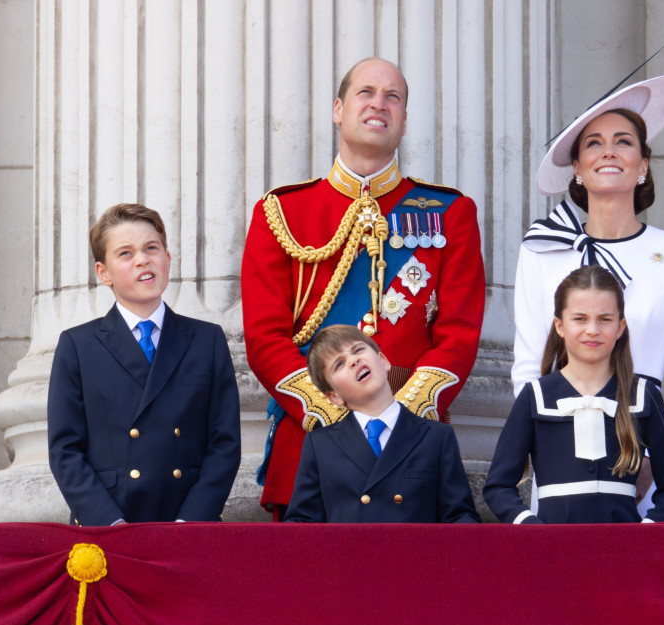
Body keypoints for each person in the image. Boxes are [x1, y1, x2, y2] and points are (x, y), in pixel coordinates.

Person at [242, 57, 484, 520]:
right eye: (366, 93)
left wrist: (399, 418)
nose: (379, 104)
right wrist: (338, 419)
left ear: (405, 120)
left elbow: (459, 332)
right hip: (312, 440)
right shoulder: (283, 211)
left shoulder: (450, 212)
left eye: (393, 96)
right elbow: (263, 337)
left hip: (413, 447)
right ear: (338, 109)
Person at [513, 75, 664, 517]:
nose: (609, 152)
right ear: (577, 167)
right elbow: (527, 364)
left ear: (642, 165)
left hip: (647, 441)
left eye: (623, 142)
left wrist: (657, 458)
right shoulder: (543, 250)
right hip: (561, 439)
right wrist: (547, 446)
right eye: (594, 143)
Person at [48, 203, 241, 525]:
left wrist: (190, 522)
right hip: (109, 526)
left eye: (151, 248)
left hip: (188, 524)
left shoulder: (207, 340)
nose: (142, 259)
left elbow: (224, 442)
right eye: (125, 253)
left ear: (167, 258)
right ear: (103, 273)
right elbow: (65, 450)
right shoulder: (78, 345)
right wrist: (109, 523)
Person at [485, 265, 664, 523]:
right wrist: (531, 528)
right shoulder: (535, 396)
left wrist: (645, 533)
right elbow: (498, 487)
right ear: (559, 325)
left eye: (604, 319)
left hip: (625, 555)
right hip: (553, 554)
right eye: (580, 318)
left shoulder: (644, 395)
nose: (592, 329)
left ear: (620, 326)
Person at [285, 325, 479, 523]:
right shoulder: (320, 445)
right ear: (334, 397)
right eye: (339, 364)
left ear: (383, 360)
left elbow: (460, 517)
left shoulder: (436, 436)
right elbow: (302, 525)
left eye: (358, 350)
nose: (353, 360)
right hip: (347, 554)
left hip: (415, 553)